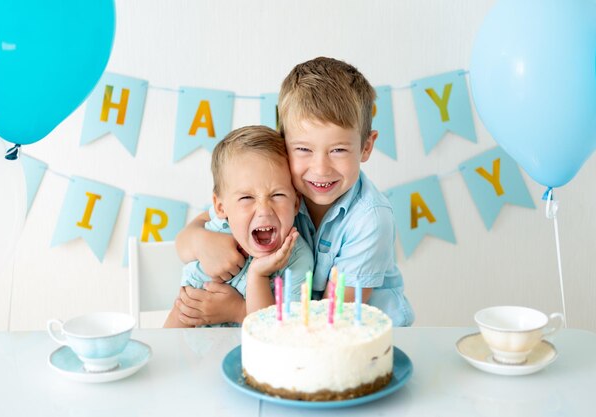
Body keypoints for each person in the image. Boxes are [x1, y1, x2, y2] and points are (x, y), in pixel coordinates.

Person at [174, 57, 414, 326]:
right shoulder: (274, 191)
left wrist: (239, 312)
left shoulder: (370, 219)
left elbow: (333, 320)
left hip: (362, 341)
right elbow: (189, 237)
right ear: (283, 143)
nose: (320, 168)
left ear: (366, 147)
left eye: (338, 150)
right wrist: (201, 242)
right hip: (293, 337)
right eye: (303, 149)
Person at [164, 125, 313, 328]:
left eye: (277, 195)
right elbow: (182, 316)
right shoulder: (215, 231)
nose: (264, 210)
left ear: (296, 203)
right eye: (246, 197)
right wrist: (200, 242)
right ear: (221, 206)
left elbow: (277, 334)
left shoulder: (297, 259)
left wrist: (241, 304)